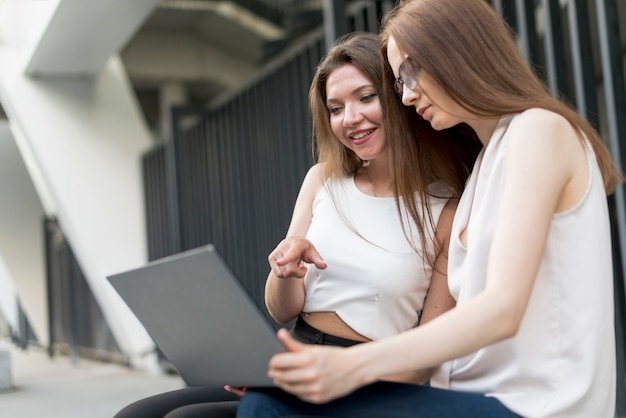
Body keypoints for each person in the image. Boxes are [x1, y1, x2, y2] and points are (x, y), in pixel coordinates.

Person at [236, 1, 623, 417]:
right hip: (462, 395)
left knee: (268, 407)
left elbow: (502, 310)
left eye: (409, 73)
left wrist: (349, 365)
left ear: (455, 54)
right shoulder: (483, 172)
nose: (406, 94)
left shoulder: (538, 129)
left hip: (530, 406)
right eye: (399, 81)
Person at [113, 31, 480, 418]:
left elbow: (426, 356)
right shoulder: (322, 179)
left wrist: (326, 376)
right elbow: (281, 310)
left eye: (365, 97)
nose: (349, 119)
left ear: (398, 96)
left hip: (367, 382)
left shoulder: (445, 210)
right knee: (137, 415)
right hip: (292, 357)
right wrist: (286, 272)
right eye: (335, 108)